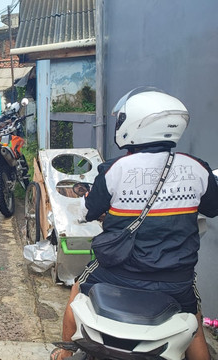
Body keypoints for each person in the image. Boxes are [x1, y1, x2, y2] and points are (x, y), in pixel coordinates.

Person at [51, 87, 218, 360]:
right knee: (194, 320)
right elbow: (212, 208)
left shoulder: (115, 169)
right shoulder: (198, 167)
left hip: (118, 273)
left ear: (134, 124)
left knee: (77, 292)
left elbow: (88, 212)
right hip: (175, 280)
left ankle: (64, 354)